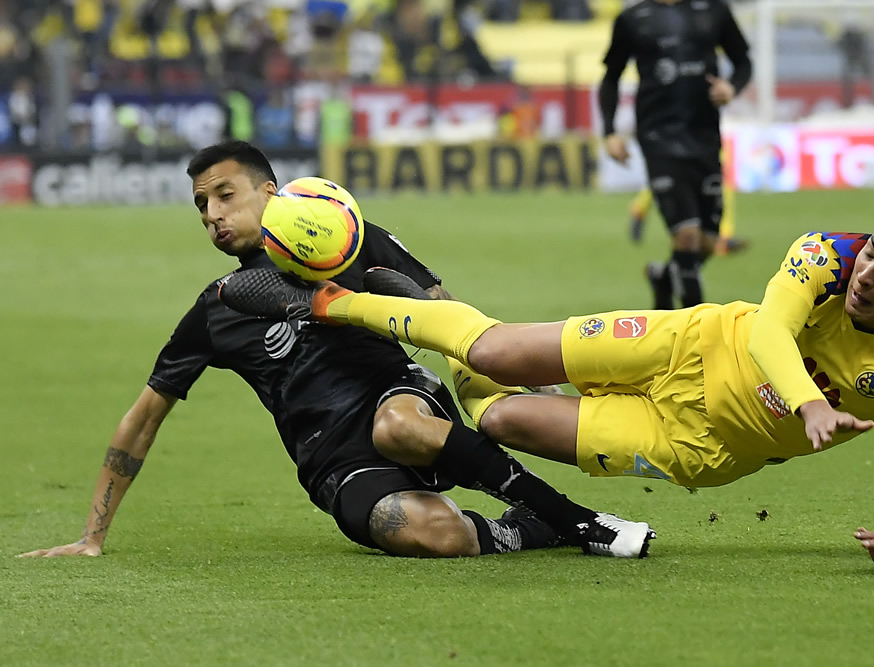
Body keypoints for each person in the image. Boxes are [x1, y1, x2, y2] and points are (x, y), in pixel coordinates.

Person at [220, 197, 874, 574]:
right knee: (494, 346)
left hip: (696, 444)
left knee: (499, 421)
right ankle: (330, 299)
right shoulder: (827, 250)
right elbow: (767, 331)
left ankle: (470, 364)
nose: (866, 274)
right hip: (685, 340)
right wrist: (813, 402)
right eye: (873, 253)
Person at [18, 140, 655, 561]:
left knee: (398, 424)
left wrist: (525, 385)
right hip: (332, 465)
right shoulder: (216, 308)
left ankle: (580, 522)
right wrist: (92, 536)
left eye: (224, 194)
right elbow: (143, 418)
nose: (211, 214)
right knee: (428, 533)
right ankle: (525, 528)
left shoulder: (350, 238)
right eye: (201, 205)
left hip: (401, 400)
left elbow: (447, 311)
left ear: (272, 191)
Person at [600, 0, 752, 309]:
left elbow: (743, 61)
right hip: (658, 139)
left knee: (707, 244)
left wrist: (731, 88)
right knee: (687, 237)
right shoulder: (632, 18)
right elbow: (611, 77)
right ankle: (692, 335)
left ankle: (664, 277)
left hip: (705, 137)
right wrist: (609, 131)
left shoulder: (714, 10)